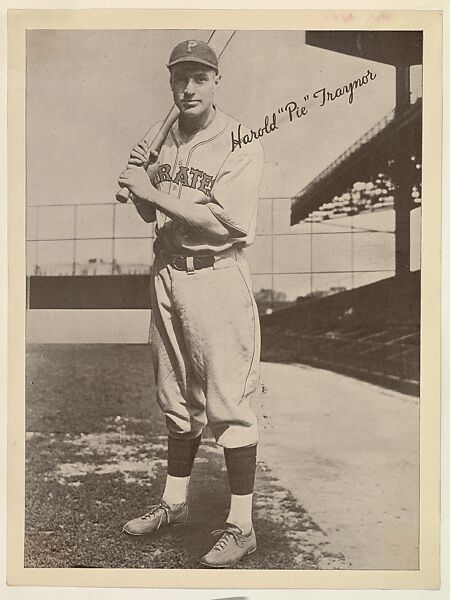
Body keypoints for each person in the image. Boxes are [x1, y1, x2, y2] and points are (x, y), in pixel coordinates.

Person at [118, 39, 264, 568]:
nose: (188, 87)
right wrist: (138, 183)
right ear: (170, 81)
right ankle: (174, 504)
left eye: (200, 77)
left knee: (230, 403)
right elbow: (148, 215)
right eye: (180, 77)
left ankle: (242, 526)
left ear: (215, 81)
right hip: (167, 275)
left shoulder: (239, 141)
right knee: (175, 398)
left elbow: (220, 222)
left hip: (216, 275)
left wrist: (150, 191)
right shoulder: (164, 141)